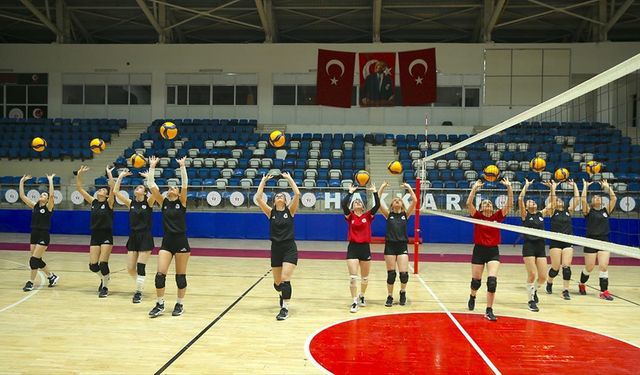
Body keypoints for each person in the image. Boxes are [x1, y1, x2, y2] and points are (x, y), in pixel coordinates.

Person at [146, 156, 190, 317]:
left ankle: (179, 304)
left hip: (181, 241)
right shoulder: (163, 202)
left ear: (178, 193)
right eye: (170, 186)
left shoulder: (182, 201)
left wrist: (182, 166)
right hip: (167, 241)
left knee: (180, 277)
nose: (172, 187)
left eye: (174, 187)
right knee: (160, 275)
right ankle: (160, 304)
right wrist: (152, 167)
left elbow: (185, 184)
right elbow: (151, 186)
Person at [466, 178, 513, 321]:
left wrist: (509, 188)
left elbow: (510, 204)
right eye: (485, 203)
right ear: (480, 208)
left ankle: (489, 309)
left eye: (489, 203)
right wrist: (474, 188)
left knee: (492, 281)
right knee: (476, 281)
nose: (487, 204)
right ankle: (472, 296)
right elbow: (468, 203)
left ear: (492, 208)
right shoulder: (478, 216)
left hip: (493, 251)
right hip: (479, 250)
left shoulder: (497, 217)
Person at [255, 172, 301, 321]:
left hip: (289, 248)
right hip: (276, 249)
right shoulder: (270, 212)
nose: (280, 197)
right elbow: (258, 198)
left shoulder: (290, 211)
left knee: (285, 278)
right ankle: (282, 294)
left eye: (282, 196)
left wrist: (288, 178)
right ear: (274, 201)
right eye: (277, 196)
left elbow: (297, 193)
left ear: (285, 200)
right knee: (277, 283)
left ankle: (285, 308)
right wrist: (263, 181)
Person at [112, 168, 155, 304]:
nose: (138, 188)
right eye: (137, 187)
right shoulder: (131, 203)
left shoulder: (148, 203)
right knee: (131, 268)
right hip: (133, 236)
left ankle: (138, 292)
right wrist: (120, 177)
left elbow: (155, 191)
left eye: (141, 187)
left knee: (140, 266)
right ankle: (140, 283)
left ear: (144, 192)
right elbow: (115, 192)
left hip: (145, 236)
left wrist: (149, 178)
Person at [76, 165, 119, 298]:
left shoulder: (109, 203)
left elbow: (113, 188)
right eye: (99, 189)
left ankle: (105, 287)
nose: (99, 190)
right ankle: (104, 278)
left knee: (103, 263)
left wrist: (109, 174)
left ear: (106, 195)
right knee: (93, 265)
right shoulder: (93, 202)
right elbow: (79, 189)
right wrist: (79, 175)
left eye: (102, 190)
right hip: (95, 235)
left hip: (106, 235)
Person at [377, 181, 417, 307]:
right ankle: (389, 296)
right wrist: (382, 187)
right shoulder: (389, 215)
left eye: (399, 200)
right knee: (391, 274)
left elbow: (415, 201)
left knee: (404, 274)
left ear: (402, 204)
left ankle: (403, 292)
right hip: (390, 246)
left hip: (402, 246)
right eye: (395, 200)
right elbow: (378, 203)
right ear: (392, 205)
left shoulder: (406, 215)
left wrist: (409, 188)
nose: (397, 201)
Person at [341, 182, 380, 313]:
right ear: (352, 206)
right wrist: (350, 193)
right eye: (355, 202)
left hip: (365, 248)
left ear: (363, 207)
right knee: (353, 277)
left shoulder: (367, 216)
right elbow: (343, 204)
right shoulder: (350, 216)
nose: (357, 202)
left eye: (359, 202)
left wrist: (375, 192)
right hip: (353, 247)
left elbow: (378, 206)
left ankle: (362, 295)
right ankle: (354, 301)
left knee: (364, 277)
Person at [518, 179, 555, 312]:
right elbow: (520, 198)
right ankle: (530, 300)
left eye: (533, 201)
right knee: (532, 274)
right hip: (529, 246)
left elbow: (552, 204)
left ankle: (534, 290)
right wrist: (526, 185)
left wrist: (552, 188)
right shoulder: (525, 215)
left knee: (543, 277)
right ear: (527, 207)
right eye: (529, 202)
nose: (532, 202)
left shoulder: (540, 214)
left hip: (540, 246)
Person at [19, 174, 59, 291]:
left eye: (44, 195)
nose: (43, 195)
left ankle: (30, 282)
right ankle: (51, 276)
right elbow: (22, 196)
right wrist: (22, 181)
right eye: (41, 194)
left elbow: (52, 195)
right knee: (37, 259)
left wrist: (50, 180)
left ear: (47, 200)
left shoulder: (49, 207)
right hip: (34, 234)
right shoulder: (34, 206)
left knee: (33, 260)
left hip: (43, 235)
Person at [579, 179, 617, 300]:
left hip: (604, 240)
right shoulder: (588, 211)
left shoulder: (606, 211)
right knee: (589, 267)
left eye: (599, 197)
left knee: (603, 266)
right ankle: (582, 283)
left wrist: (607, 187)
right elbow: (583, 200)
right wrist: (585, 186)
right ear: (591, 202)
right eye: (595, 198)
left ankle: (604, 291)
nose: (597, 198)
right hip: (590, 241)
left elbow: (614, 199)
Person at [546, 179, 580, 300]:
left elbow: (577, 199)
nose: (559, 201)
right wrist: (553, 188)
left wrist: (574, 185)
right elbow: (552, 200)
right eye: (557, 200)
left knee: (566, 267)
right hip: (555, 243)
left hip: (567, 242)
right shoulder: (552, 212)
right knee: (555, 268)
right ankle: (549, 281)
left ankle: (565, 290)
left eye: (561, 200)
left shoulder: (568, 211)